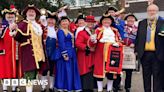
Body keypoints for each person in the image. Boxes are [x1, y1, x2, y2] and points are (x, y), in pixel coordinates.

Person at [9, 4, 46, 92]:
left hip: (39, 54)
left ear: (35, 14)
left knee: (35, 74)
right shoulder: (22, 24)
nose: (31, 13)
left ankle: (38, 88)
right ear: (26, 14)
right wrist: (13, 30)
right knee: (29, 74)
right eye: (29, 12)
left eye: (33, 12)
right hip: (28, 53)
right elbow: (17, 37)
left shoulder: (38, 25)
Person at [89, 14, 122, 92]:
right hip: (100, 55)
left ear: (111, 21)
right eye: (105, 20)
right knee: (99, 73)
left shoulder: (115, 30)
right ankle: (100, 89)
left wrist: (118, 44)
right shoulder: (98, 30)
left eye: (108, 20)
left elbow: (119, 41)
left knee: (111, 71)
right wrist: (93, 40)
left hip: (112, 55)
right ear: (102, 22)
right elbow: (92, 44)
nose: (106, 21)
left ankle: (109, 89)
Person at [135, 4, 164, 92]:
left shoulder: (162, 23)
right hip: (145, 54)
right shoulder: (142, 23)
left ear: (157, 11)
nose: (152, 12)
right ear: (147, 12)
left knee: (157, 76)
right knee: (146, 76)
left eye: (153, 10)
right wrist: (137, 51)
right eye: (150, 10)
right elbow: (138, 38)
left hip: (158, 54)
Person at [54, 16, 81, 91]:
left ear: (69, 22)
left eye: (66, 21)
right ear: (60, 23)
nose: (65, 23)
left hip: (72, 53)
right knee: (65, 70)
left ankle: (70, 86)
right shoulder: (60, 31)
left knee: (70, 70)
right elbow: (61, 43)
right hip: (65, 54)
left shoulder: (69, 31)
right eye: (63, 21)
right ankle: (64, 87)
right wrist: (64, 54)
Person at [0, 8, 22, 92]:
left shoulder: (18, 26)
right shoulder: (2, 26)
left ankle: (14, 88)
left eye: (12, 15)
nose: (10, 17)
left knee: (15, 72)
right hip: (5, 53)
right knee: (4, 71)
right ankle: (5, 88)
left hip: (15, 53)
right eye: (8, 15)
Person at [106, 7, 125, 91]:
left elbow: (121, 30)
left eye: (112, 12)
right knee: (108, 66)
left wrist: (115, 20)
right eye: (109, 12)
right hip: (108, 46)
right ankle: (109, 83)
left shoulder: (120, 21)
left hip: (118, 45)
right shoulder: (106, 21)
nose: (111, 13)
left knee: (117, 65)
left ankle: (117, 84)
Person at [75, 15, 96, 92]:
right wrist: (88, 48)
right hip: (84, 56)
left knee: (90, 73)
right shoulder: (81, 32)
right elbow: (77, 43)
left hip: (91, 56)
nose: (91, 24)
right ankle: (85, 89)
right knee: (85, 72)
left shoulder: (94, 32)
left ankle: (89, 88)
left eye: (92, 22)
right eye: (89, 22)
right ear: (86, 22)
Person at [40, 11, 58, 92]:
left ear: (55, 21)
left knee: (52, 70)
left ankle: (51, 87)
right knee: (44, 70)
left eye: (53, 20)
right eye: (49, 19)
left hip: (54, 52)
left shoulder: (58, 30)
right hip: (44, 51)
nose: (51, 21)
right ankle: (43, 87)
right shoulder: (42, 28)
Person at [122, 14, 138, 92]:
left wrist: (135, 44)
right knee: (119, 70)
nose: (130, 20)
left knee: (129, 72)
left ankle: (128, 87)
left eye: (132, 19)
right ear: (126, 20)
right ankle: (117, 85)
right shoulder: (122, 27)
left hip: (131, 51)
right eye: (129, 19)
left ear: (134, 20)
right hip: (122, 49)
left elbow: (140, 39)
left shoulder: (137, 29)